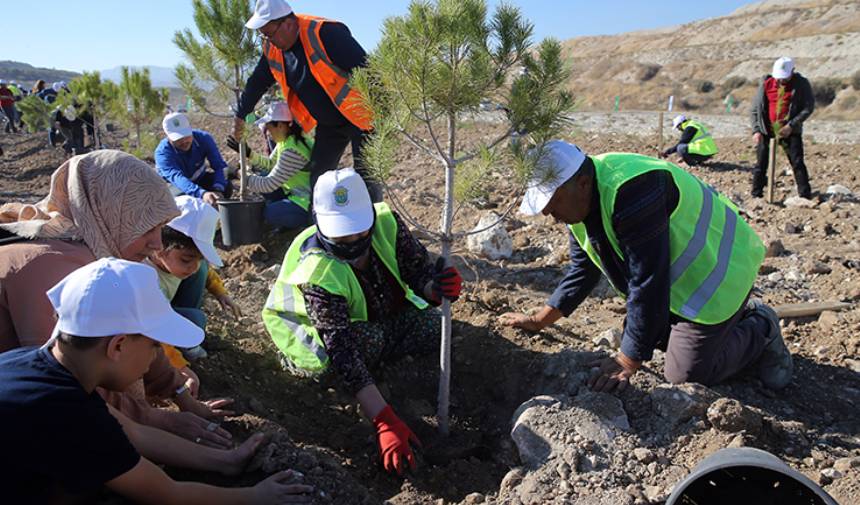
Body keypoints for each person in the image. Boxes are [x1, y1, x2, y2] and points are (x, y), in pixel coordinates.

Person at [0, 257, 314, 504]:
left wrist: (226, 461)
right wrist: (253, 497)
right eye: (153, 346)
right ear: (118, 346)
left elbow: (133, 432)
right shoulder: (67, 413)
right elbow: (167, 495)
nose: (154, 359)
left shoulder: (33, 365)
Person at [499, 140, 793, 393]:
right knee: (646, 333)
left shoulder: (633, 191)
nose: (548, 211)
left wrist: (628, 360)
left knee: (684, 375)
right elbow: (583, 269)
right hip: (679, 284)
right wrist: (540, 320)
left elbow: (648, 280)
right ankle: (722, 327)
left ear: (582, 183)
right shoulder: (580, 201)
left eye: (551, 200)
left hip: (720, 276)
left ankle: (761, 327)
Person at [0, 150, 235, 449]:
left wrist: (179, 393)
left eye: (159, 229)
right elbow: (68, 388)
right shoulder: (54, 267)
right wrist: (157, 420)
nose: (156, 244)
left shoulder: (90, 248)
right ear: (109, 212)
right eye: (146, 228)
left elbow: (138, 329)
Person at [263, 168, 463, 475]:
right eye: (341, 233)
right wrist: (383, 419)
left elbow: (416, 270)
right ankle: (357, 382)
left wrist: (436, 289)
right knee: (366, 343)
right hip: (319, 342)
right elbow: (340, 349)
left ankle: (381, 366)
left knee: (434, 328)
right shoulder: (318, 271)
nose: (352, 240)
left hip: (378, 318)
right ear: (319, 221)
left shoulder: (387, 224)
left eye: (358, 230)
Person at [233, 0, 382, 204]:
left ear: (287, 23)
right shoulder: (273, 48)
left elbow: (367, 71)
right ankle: (322, 230)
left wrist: (383, 115)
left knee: (367, 179)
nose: (267, 40)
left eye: (269, 33)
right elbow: (257, 82)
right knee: (319, 178)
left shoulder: (325, 33)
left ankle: (374, 230)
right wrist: (241, 115)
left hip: (361, 117)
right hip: (330, 124)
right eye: (263, 35)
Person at [147, 196, 242, 363]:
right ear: (159, 247)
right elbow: (150, 326)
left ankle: (185, 332)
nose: (193, 266)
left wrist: (220, 293)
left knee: (202, 271)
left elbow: (207, 272)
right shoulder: (144, 279)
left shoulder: (180, 263)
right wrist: (179, 366)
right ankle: (186, 345)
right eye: (186, 259)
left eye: (200, 258)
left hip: (167, 308)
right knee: (196, 320)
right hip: (151, 321)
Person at [227, 101, 312, 229]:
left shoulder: (293, 150)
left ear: (280, 125)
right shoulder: (286, 141)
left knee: (270, 213)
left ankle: (306, 221)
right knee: (263, 174)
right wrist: (249, 153)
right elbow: (270, 165)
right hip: (295, 193)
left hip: (307, 201)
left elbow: (268, 185)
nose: (267, 132)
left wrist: (242, 175)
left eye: (269, 127)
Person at [750, 56, 814, 199]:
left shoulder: (801, 84)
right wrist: (756, 130)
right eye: (778, 77)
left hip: (790, 131)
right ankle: (756, 194)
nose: (781, 81)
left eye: (784, 78)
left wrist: (791, 125)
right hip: (766, 131)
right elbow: (755, 109)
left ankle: (804, 195)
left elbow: (808, 107)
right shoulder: (766, 84)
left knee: (797, 162)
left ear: (793, 71)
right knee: (761, 164)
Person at [155, 112, 233, 206]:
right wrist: (202, 193)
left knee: (226, 186)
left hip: (199, 179)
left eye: (186, 135)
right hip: (175, 185)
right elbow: (177, 178)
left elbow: (219, 165)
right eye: (178, 139)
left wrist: (217, 189)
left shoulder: (204, 138)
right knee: (183, 201)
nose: (184, 141)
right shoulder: (162, 153)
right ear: (168, 137)